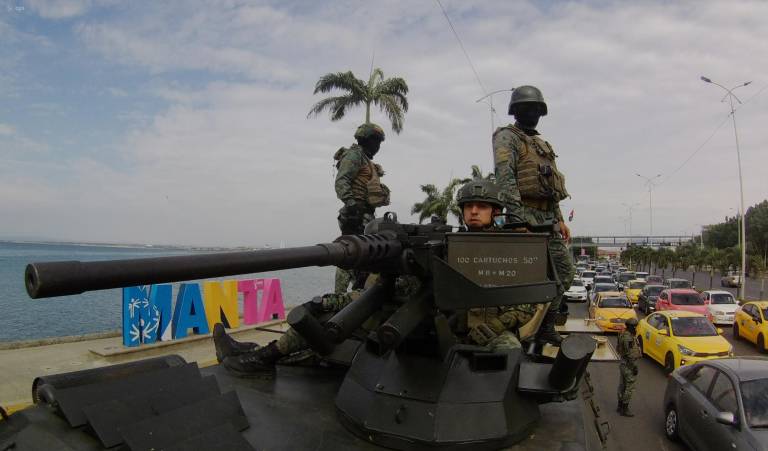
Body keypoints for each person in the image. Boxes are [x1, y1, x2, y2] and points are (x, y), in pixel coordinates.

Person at [492, 85, 575, 346]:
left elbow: (550, 188)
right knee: (526, 281)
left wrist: (559, 218)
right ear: (516, 110)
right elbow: (505, 179)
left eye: (537, 109)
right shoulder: (507, 136)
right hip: (524, 218)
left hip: (547, 220)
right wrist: (517, 220)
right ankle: (522, 331)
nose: (533, 113)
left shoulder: (541, 144)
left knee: (565, 274)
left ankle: (545, 327)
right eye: (527, 108)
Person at [455, 179, 537, 351]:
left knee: (510, 351)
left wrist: (494, 327)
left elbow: (527, 304)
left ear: (496, 212)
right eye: (468, 206)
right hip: (451, 330)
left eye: (482, 206)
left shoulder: (511, 249)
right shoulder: (448, 246)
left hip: (495, 332)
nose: (474, 211)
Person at [333, 123, 389, 294]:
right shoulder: (354, 155)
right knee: (350, 253)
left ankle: (358, 291)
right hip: (355, 214)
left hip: (365, 214)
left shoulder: (366, 160)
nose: (378, 146)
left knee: (364, 255)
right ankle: (340, 295)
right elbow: (342, 181)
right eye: (376, 142)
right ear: (368, 140)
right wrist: (352, 205)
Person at [616, 317, 641, 417]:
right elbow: (629, 354)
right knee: (629, 387)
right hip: (628, 365)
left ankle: (619, 406)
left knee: (622, 385)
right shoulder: (628, 338)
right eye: (635, 327)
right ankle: (624, 409)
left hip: (623, 363)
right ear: (631, 327)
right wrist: (634, 367)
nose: (636, 329)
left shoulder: (623, 334)